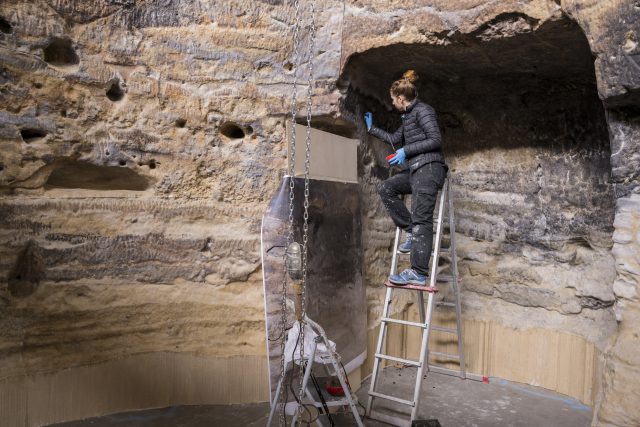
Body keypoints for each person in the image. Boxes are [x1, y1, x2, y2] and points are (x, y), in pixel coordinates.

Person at [364, 70, 448, 286]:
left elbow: (435, 139)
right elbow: (394, 139)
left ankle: (418, 272)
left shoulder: (424, 111)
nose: (393, 104)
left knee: (422, 219)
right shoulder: (409, 117)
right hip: (415, 170)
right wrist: (372, 129)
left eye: (393, 100)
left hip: (430, 169)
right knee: (386, 188)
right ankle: (410, 231)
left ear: (401, 98)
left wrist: (406, 151)